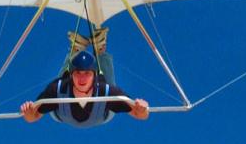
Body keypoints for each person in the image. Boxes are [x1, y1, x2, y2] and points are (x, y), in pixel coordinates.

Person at [20, 48, 149, 127]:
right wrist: (28, 113)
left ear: (94, 75)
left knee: (108, 87)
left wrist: (142, 109)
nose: (82, 79)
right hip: (61, 113)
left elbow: (140, 114)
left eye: (87, 73)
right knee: (60, 83)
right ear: (72, 75)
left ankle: (100, 53)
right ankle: (74, 52)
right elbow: (33, 117)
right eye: (78, 73)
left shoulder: (107, 91)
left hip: (101, 115)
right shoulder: (56, 89)